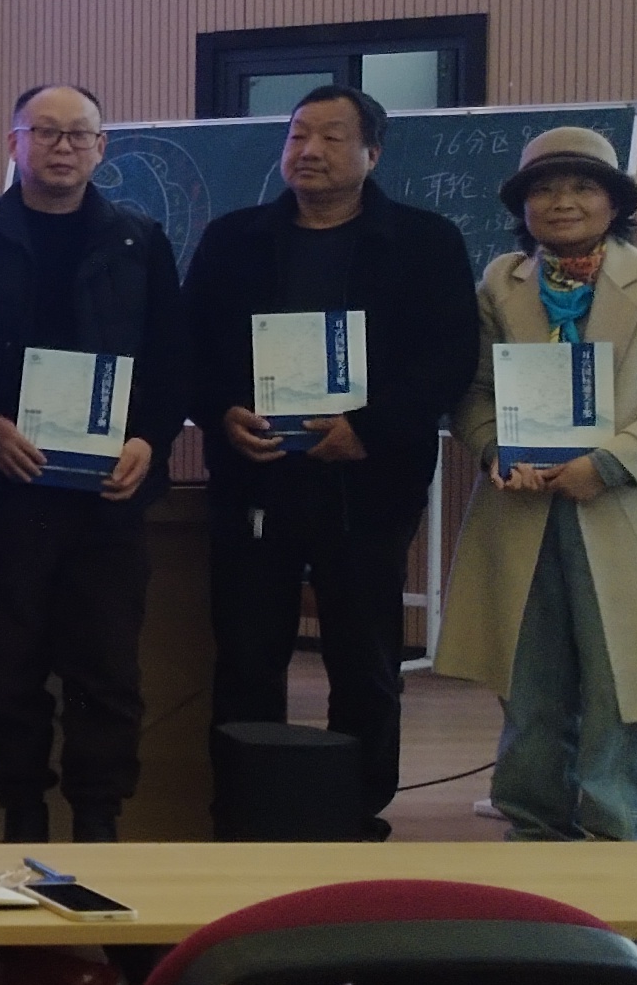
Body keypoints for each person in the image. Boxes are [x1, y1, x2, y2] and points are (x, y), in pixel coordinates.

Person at [184, 85, 478, 836]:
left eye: (332, 137)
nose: (309, 151)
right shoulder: (233, 239)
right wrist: (222, 411)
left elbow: (447, 359)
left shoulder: (425, 242)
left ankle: (356, 812)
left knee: (364, 659)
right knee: (248, 657)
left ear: (372, 153)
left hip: (367, 483)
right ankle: (248, 812)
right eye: (298, 135)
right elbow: (191, 347)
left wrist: (369, 429)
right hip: (255, 478)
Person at [439, 127, 637, 841]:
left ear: (614, 203)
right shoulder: (501, 282)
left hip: (626, 511)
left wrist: (605, 464)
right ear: (523, 206)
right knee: (530, 689)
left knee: (622, 689)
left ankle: (617, 842)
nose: (562, 202)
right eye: (544, 189)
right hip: (522, 512)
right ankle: (533, 830)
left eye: (582, 187)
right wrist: (493, 448)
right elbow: (473, 392)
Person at [0, 85, 183, 843]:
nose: (63, 146)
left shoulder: (139, 239)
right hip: (4, 492)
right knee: (7, 670)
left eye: (79, 134)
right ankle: (22, 814)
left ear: (102, 148)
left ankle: (99, 819)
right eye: (45, 132)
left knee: (106, 670)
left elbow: (170, 359)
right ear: (14, 143)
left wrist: (148, 439)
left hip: (106, 497)